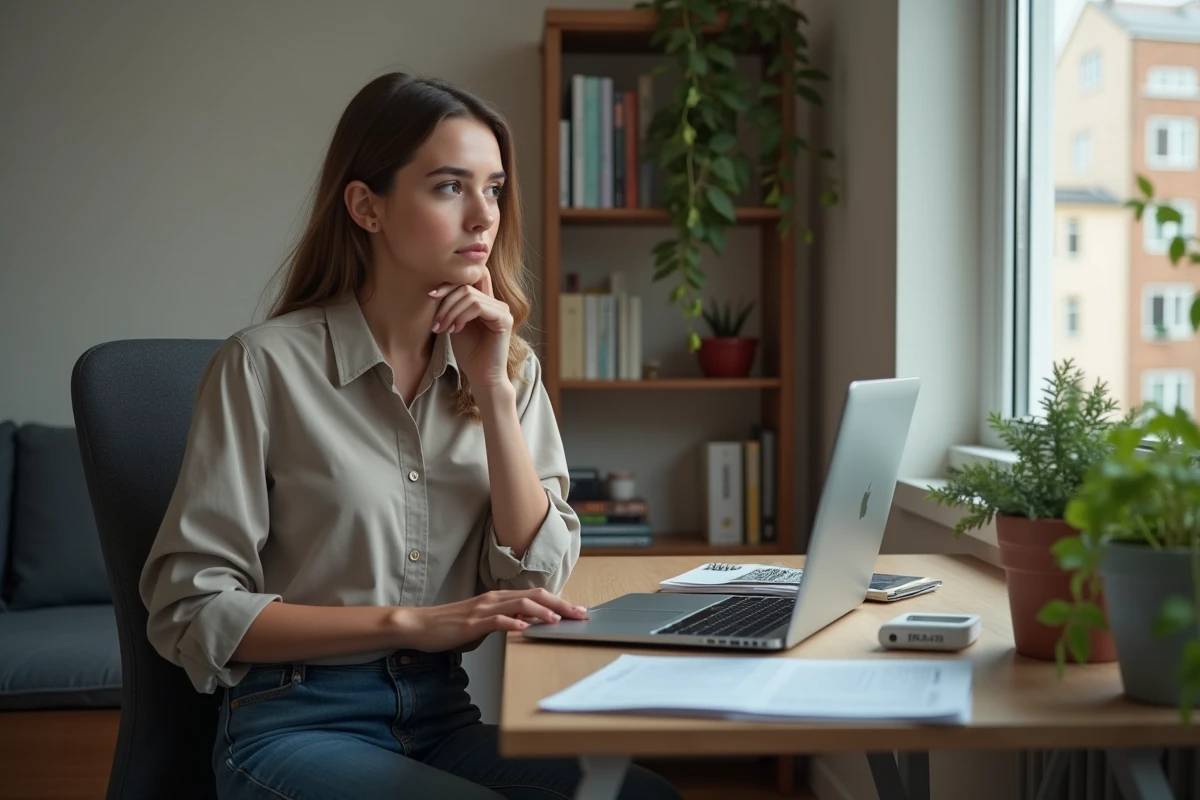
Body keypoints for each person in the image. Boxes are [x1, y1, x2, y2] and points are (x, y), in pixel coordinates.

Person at [139, 72, 682, 800]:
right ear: (367, 206)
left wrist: (490, 388)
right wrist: (413, 622)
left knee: (641, 797)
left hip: (440, 717)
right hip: (293, 723)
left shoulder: (508, 368)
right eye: (450, 187)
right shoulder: (261, 367)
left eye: (493, 189)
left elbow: (535, 580)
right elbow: (191, 608)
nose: (484, 217)